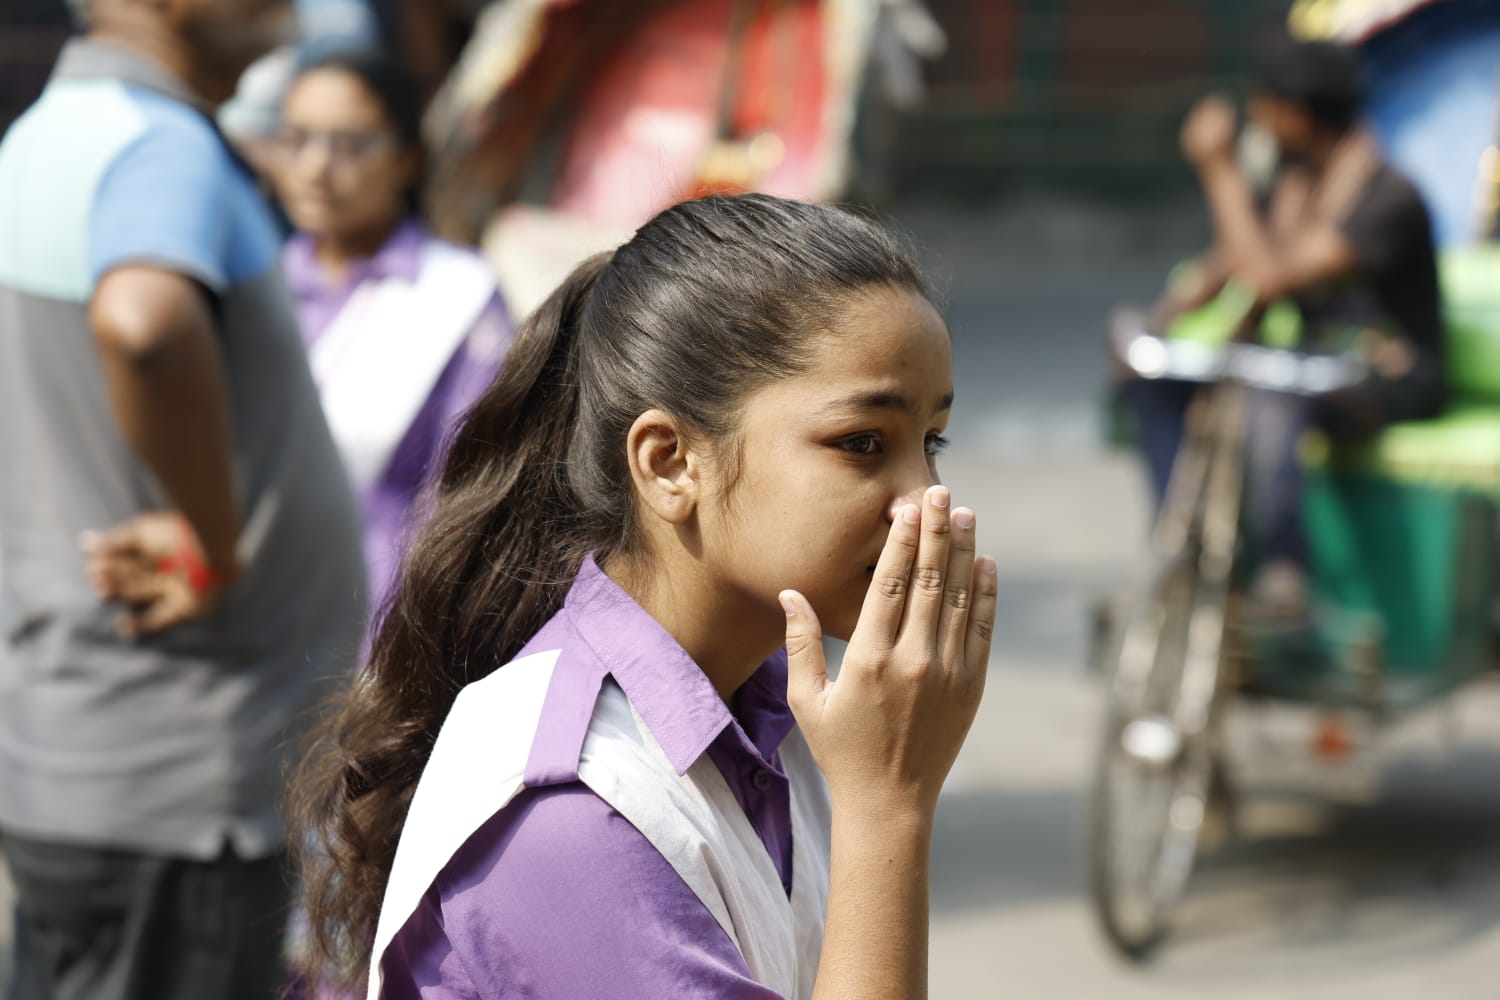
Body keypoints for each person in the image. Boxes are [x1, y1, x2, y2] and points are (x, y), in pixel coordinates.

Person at [290, 193, 996, 1000]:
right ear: (669, 464)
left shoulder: (771, 703)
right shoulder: (570, 809)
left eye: (931, 442)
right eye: (862, 443)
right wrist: (889, 805)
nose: (926, 498)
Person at [0, 0, 366, 997]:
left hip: (98, 765)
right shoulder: (156, 146)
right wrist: (213, 538)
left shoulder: (49, 132)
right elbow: (146, 322)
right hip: (174, 779)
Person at [1123, 38, 1445, 612]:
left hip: (1392, 374)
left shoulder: (1388, 198)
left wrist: (1219, 171)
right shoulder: (1292, 185)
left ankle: (1283, 568)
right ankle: (1183, 541)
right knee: (1159, 382)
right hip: (1311, 364)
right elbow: (1230, 264)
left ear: (1296, 115)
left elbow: (1269, 275)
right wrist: (1157, 324)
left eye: (1266, 108)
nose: (1257, 120)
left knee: (1272, 391)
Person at [275, 48, 509, 621]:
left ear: (407, 159)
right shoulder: (259, 281)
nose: (316, 168)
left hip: (383, 612)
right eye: (297, 139)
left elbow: (473, 486)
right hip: (253, 603)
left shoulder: (456, 294)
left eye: (350, 145)